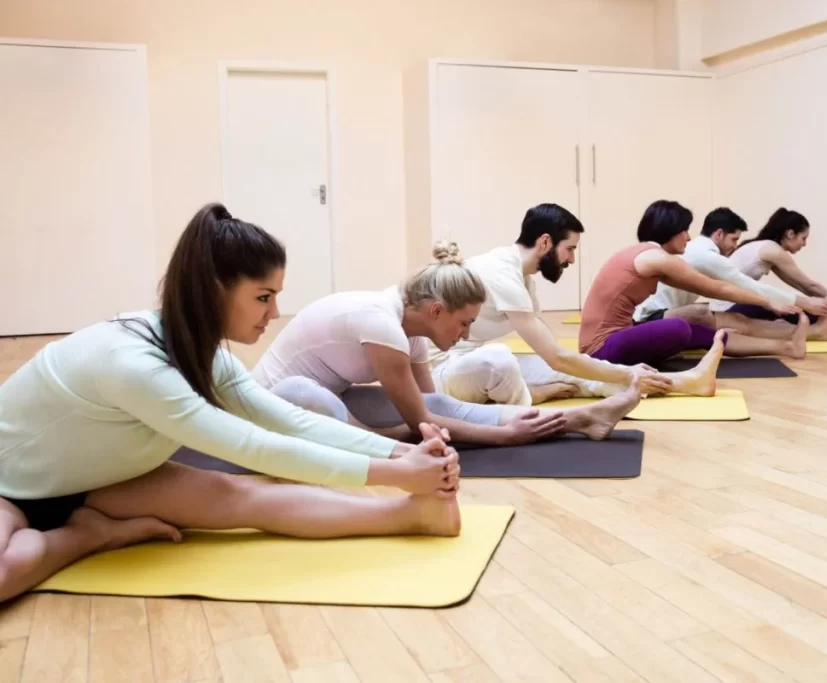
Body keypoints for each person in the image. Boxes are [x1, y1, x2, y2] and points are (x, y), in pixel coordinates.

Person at [0, 203, 463, 605]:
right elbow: (252, 447)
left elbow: (285, 421)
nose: (275, 313)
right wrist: (398, 474)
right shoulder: (131, 364)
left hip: (99, 480)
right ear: (214, 290)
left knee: (240, 497)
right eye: (263, 297)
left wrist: (400, 454)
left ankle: (414, 516)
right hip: (10, 485)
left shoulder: (203, 352)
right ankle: (90, 536)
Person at [250, 241, 647, 446]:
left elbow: (433, 410)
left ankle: (583, 418)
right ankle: (391, 441)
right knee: (302, 391)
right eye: (464, 323)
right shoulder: (381, 323)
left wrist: (441, 425)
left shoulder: (413, 330)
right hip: (270, 411)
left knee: (436, 403)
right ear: (436, 311)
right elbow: (422, 424)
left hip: (329, 405)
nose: (466, 334)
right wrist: (506, 435)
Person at [427, 203, 722, 408]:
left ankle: (688, 382)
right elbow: (555, 356)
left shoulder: (522, 278)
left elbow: (556, 354)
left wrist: (610, 371)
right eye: (569, 249)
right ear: (545, 242)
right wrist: (624, 372)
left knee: (581, 373)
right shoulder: (501, 272)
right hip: (440, 376)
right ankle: (529, 394)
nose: (571, 259)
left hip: (467, 366)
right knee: (500, 357)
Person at [579, 200, 811, 368]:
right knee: (679, 327)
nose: (689, 238)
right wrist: (768, 302)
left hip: (618, 335)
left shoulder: (648, 255)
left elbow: (709, 288)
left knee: (700, 331)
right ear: (669, 231)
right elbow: (718, 288)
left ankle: (787, 347)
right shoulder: (658, 259)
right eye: (684, 231)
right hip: (599, 349)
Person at [635, 207, 827, 340]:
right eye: (734, 239)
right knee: (736, 321)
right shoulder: (707, 256)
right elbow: (748, 285)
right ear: (719, 234)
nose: (735, 247)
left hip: (660, 313)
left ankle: (808, 334)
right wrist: (806, 303)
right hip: (652, 317)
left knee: (736, 320)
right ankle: (812, 333)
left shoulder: (698, 251)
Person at [705, 207, 827, 330]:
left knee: (787, 306)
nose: (804, 244)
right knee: (789, 309)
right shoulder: (772, 250)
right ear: (790, 233)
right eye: (803, 238)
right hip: (730, 310)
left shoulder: (764, 247)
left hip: (725, 308)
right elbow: (810, 286)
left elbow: (801, 286)